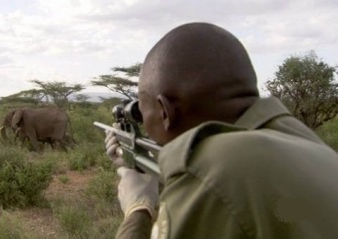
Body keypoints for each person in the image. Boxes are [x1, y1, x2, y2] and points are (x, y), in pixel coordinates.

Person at [104, 22, 338, 239]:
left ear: (165, 111)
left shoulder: (214, 170)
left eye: (143, 114)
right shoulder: (308, 144)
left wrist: (137, 208)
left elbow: (220, 177)